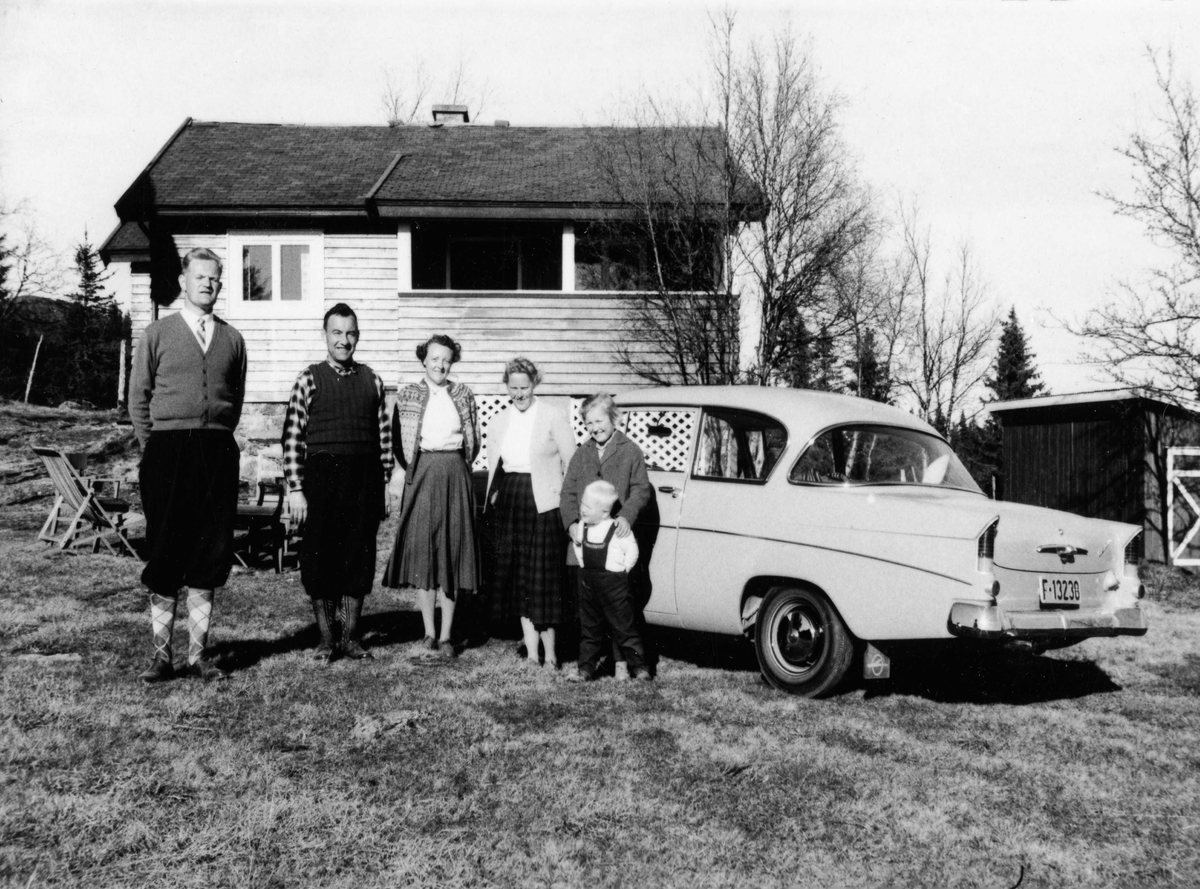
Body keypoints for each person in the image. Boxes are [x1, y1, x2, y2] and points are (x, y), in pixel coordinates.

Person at [129, 247, 247, 683]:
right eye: (200, 277)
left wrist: (215, 436)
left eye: (214, 278)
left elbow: (233, 399)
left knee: (210, 550)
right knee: (165, 550)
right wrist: (152, 449)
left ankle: (198, 656)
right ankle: (161, 657)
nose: (207, 284)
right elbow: (138, 398)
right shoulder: (157, 333)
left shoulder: (233, 339)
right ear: (183, 281)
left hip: (216, 451)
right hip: (167, 452)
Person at [281, 303, 392, 663]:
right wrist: (296, 488)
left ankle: (352, 638)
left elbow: (384, 437)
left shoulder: (372, 379)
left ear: (357, 336)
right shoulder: (309, 379)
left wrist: (385, 482)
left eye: (351, 333)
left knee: (359, 554)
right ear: (326, 335)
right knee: (320, 555)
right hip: (321, 478)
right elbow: (293, 436)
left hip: (364, 478)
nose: (344, 341)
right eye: (337, 333)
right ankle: (326, 639)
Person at [383, 333, 480, 656]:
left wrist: (457, 467)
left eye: (447, 359)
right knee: (425, 552)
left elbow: (473, 439)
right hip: (422, 472)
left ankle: (447, 635)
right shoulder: (408, 394)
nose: (440, 364)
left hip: (455, 472)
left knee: (451, 553)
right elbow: (398, 441)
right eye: (435, 358)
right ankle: (428, 631)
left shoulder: (464, 394)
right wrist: (410, 469)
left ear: (453, 363)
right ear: (424, 359)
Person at [484, 357, 576, 668]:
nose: (519, 394)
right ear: (506, 386)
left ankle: (551, 656)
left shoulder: (553, 415)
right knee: (520, 578)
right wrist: (496, 491)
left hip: (544, 505)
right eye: (513, 388)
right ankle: (533, 654)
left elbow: (571, 462)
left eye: (525, 387)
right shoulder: (499, 421)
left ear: (534, 384)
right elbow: (495, 465)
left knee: (544, 579)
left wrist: (565, 500)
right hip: (513, 501)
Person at [559, 392, 653, 679]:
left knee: (620, 612)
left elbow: (641, 489)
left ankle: (623, 664)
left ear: (613, 418)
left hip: (613, 546)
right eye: (588, 423)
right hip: (586, 545)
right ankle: (589, 665)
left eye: (599, 420)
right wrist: (572, 523)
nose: (594, 428)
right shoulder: (582, 453)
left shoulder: (630, 451)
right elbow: (568, 493)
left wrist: (627, 515)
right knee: (589, 613)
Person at [566, 480, 650, 682]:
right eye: (582, 504)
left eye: (588, 506)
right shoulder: (582, 528)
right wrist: (585, 566)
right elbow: (578, 548)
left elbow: (632, 552)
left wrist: (622, 572)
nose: (582, 509)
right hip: (588, 586)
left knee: (624, 629)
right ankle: (585, 669)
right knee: (589, 631)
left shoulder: (617, 529)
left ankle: (640, 668)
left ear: (604, 511)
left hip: (615, 587)